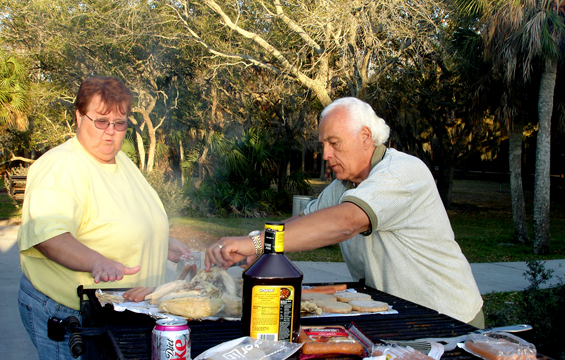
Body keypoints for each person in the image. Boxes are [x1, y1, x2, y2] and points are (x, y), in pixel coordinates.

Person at [205, 97, 484, 328]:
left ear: (365, 136)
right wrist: (257, 245)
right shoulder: (344, 185)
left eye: (334, 143)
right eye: (323, 144)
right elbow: (306, 221)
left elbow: (345, 222)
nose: (325, 154)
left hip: (446, 319)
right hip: (398, 316)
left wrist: (256, 243)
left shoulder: (400, 173)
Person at [17, 76, 191, 360]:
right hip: (67, 313)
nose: (111, 132)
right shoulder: (60, 167)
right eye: (101, 120)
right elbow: (49, 236)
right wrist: (95, 261)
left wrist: (162, 242)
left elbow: (128, 218)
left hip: (115, 312)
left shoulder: (120, 161)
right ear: (78, 117)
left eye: (120, 122)